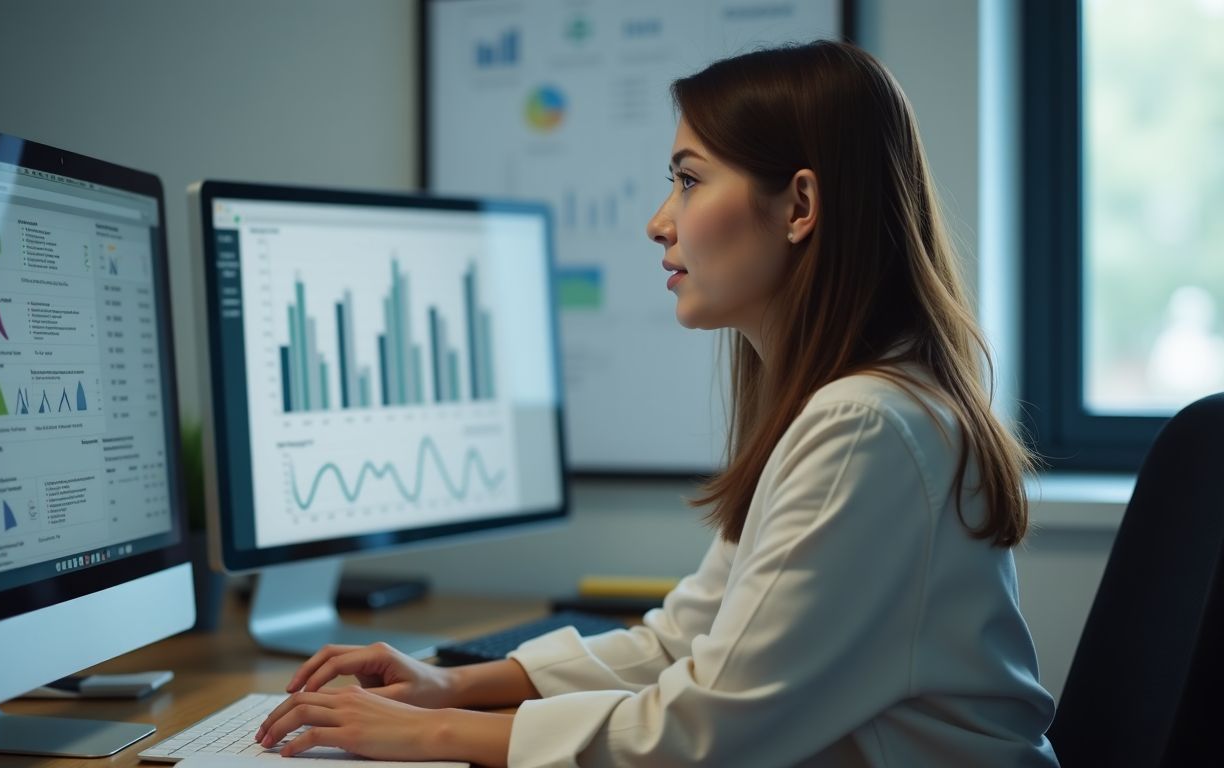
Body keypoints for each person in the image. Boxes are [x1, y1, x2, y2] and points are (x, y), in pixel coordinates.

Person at [254, 40, 1060, 767]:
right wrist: (451, 686)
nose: (657, 222)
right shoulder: (852, 408)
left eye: (688, 179)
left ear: (800, 207)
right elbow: (687, 640)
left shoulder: (864, 427)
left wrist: (427, 735)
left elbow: (700, 733)